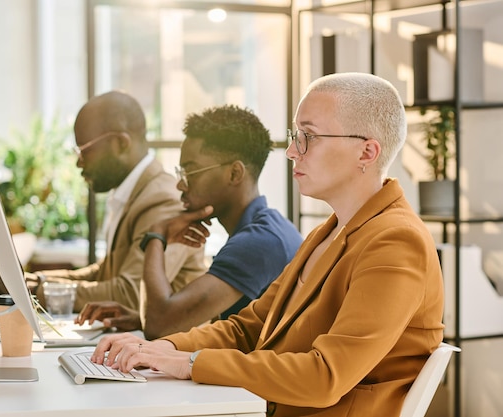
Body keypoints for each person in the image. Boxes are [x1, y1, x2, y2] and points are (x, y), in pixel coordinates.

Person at [90, 73, 445, 417]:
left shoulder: (396, 241)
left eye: (309, 136)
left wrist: (189, 363)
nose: (292, 151)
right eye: (295, 135)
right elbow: (249, 327)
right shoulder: (328, 232)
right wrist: (162, 347)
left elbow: (324, 376)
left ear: (366, 152)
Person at [76, 105, 303, 339]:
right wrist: (138, 318)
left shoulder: (260, 241)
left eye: (190, 172)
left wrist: (156, 235)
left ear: (235, 174)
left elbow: (158, 324)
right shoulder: (263, 229)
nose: (180, 185)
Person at [28, 91, 206, 327]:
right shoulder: (133, 193)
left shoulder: (162, 199)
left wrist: (39, 291)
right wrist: (38, 280)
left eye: (84, 149)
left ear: (121, 143)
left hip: (166, 348)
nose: (79, 162)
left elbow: (131, 294)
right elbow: (105, 272)